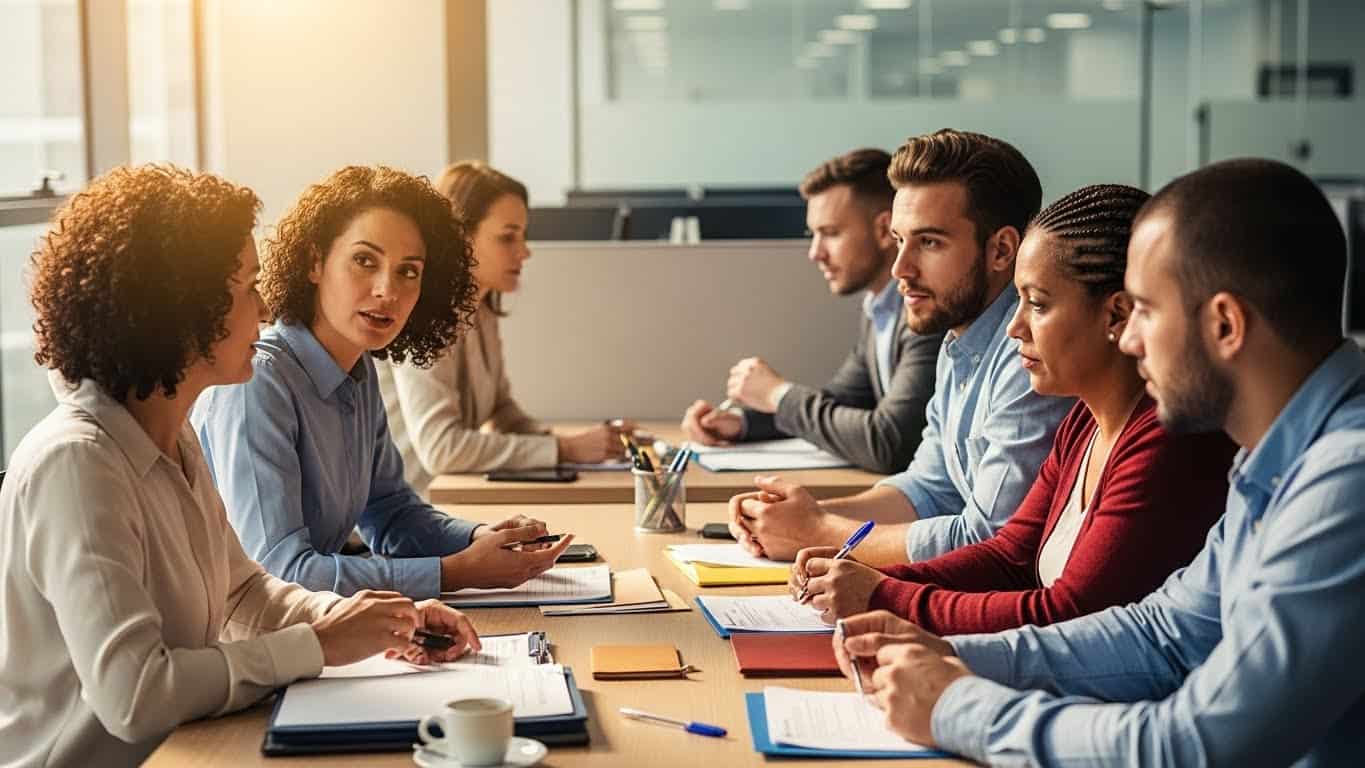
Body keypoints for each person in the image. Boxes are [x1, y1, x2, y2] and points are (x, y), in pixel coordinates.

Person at [835, 158, 1365, 766]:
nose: (1130, 338)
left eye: (1144, 309)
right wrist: (949, 651)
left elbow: (1196, 745)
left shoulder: (1344, 484)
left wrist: (955, 705)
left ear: (1225, 324)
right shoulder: (1274, 460)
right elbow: (1162, 636)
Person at [0, 166, 481, 767]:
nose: (264, 306)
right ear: (183, 306)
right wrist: (316, 646)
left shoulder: (173, 442)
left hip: (187, 750)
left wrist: (380, 621)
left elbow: (244, 591)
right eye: (247, 287)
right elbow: (134, 696)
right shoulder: (78, 464)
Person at [790, 184, 1235, 632]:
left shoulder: (1166, 439)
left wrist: (883, 595)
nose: (1015, 327)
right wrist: (874, 579)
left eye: (1037, 305)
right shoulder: (1083, 420)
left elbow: (1067, 612)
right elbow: (1008, 558)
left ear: (1115, 317)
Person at [193, 166, 571, 599]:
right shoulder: (259, 381)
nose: (386, 290)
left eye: (408, 271)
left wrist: (480, 539)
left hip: (321, 628)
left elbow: (391, 514)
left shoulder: (358, 368)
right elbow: (280, 571)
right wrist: (454, 572)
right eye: (364, 261)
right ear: (315, 261)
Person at [730, 129, 1074, 564]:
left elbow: (987, 540)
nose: (900, 268)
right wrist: (795, 516)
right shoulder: (958, 342)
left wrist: (820, 530)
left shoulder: (1029, 356)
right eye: (898, 240)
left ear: (1001, 250)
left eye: (929, 242)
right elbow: (930, 489)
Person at [680, 148, 943, 474]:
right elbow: (842, 401)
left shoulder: (928, 312)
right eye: (813, 234)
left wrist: (776, 393)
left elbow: (890, 443)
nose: (815, 253)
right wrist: (741, 423)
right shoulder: (881, 309)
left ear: (884, 230)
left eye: (830, 233)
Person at [377, 161, 630, 494]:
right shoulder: (422, 318)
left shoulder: (481, 311)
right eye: (507, 237)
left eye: (523, 236)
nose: (524, 252)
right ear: (460, 238)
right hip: (412, 515)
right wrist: (564, 450)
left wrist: (582, 444)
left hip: (454, 501)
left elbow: (501, 410)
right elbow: (441, 449)